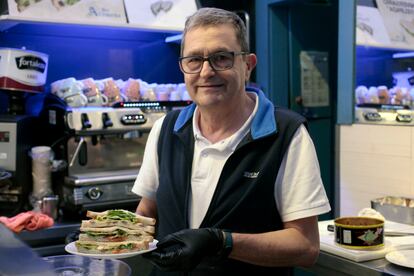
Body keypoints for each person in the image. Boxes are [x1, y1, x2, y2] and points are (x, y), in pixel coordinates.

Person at [132, 7, 331, 275]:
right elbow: (147, 210)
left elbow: (305, 246)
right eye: (193, 59)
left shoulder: (286, 134)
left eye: (221, 58)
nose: (206, 71)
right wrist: (106, 234)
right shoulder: (165, 129)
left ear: (247, 65)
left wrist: (222, 242)